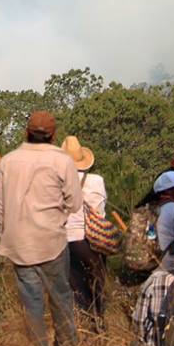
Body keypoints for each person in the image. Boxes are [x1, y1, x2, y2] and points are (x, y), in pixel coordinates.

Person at [0, 110, 83, 346]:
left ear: (26, 132)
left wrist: (8, 236)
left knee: (31, 305)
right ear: (53, 135)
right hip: (51, 242)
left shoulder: (8, 161)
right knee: (61, 300)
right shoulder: (62, 161)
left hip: (19, 245)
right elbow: (75, 203)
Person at [62, 135, 107, 332]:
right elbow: (100, 211)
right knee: (97, 286)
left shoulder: (60, 182)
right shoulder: (97, 181)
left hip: (68, 241)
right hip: (92, 240)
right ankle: (99, 324)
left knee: (77, 288)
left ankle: (84, 326)